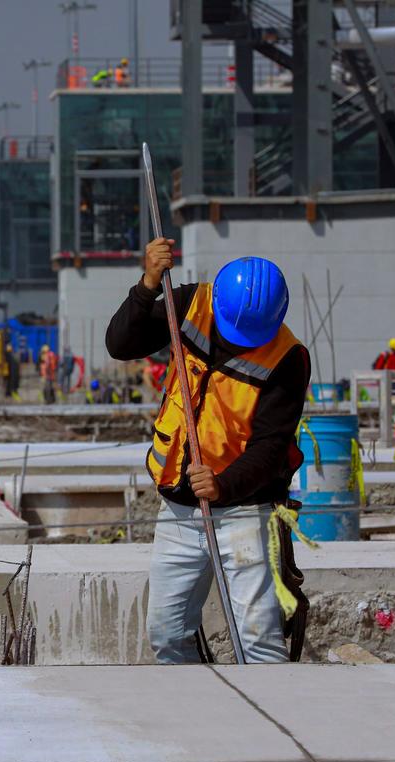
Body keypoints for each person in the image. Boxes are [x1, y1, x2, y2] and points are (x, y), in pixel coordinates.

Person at [107, 239, 310, 664]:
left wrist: (223, 484)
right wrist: (147, 287)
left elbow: (272, 446)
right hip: (178, 509)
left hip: (245, 511)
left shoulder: (288, 358)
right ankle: (199, 718)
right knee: (167, 634)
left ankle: (273, 723)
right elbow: (121, 345)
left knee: (258, 642)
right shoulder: (189, 304)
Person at [2, 334, 21, 399]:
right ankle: (9, 393)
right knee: (9, 383)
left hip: (10, 374)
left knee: (9, 383)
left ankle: (8, 393)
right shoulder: (10, 357)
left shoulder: (9, 357)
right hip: (10, 374)